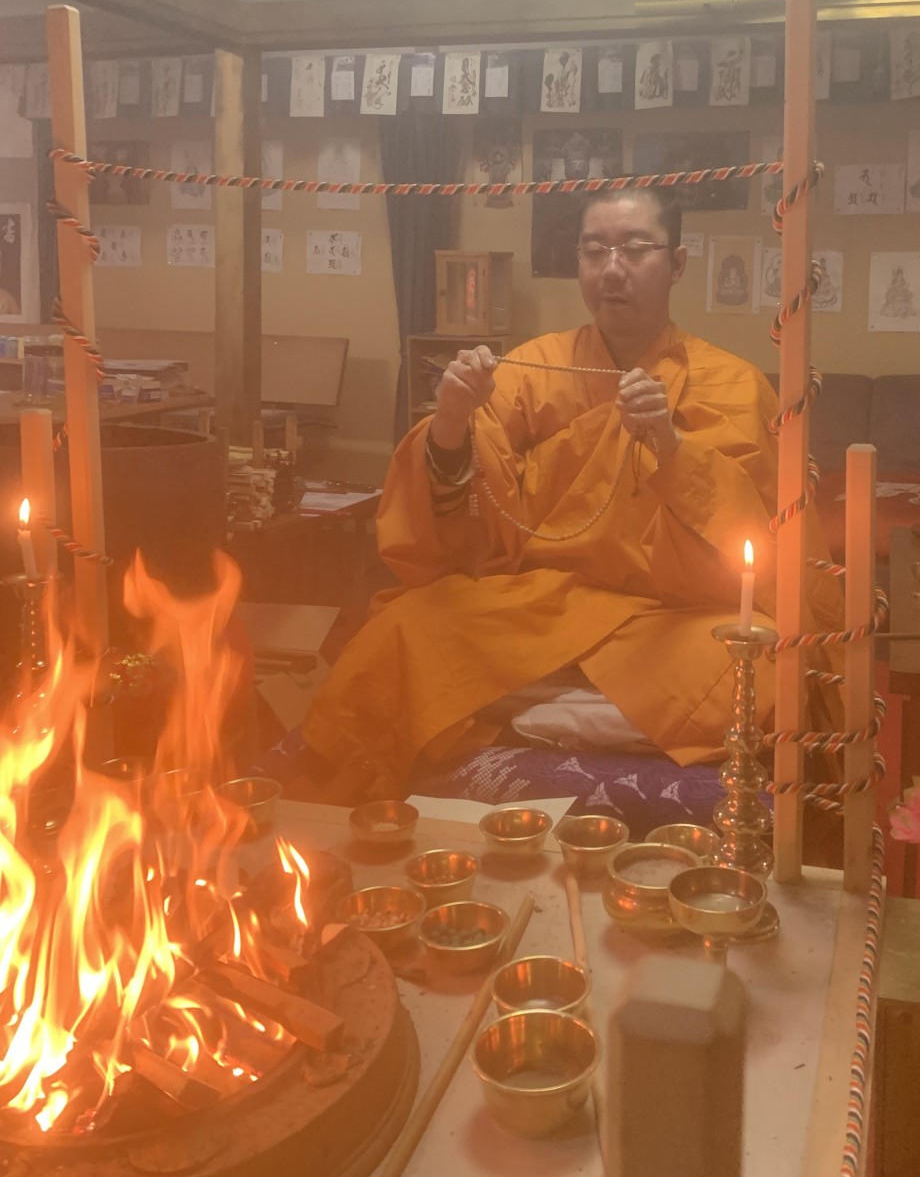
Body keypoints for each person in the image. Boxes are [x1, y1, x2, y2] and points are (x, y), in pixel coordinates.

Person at [303, 187, 845, 797]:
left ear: (677, 263)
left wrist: (671, 447)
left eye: (635, 249)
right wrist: (450, 421)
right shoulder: (533, 368)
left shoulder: (735, 385)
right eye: (594, 251)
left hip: (671, 618)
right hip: (540, 604)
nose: (612, 270)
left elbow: (762, 551)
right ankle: (583, 716)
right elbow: (466, 521)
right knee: (405, 627)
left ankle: (513, 711)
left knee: (763, 665)